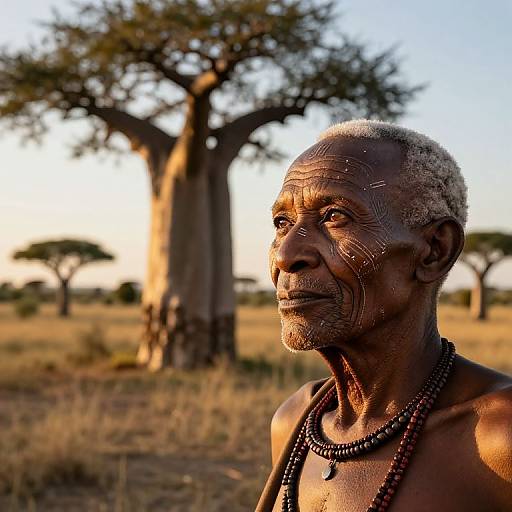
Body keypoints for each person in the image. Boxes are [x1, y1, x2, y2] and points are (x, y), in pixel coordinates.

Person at [256, 120, 512, 512]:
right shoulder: (295, 420)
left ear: (434, 250)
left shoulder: (499, 436)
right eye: (282, 223)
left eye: (334, 217)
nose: (287, 255)